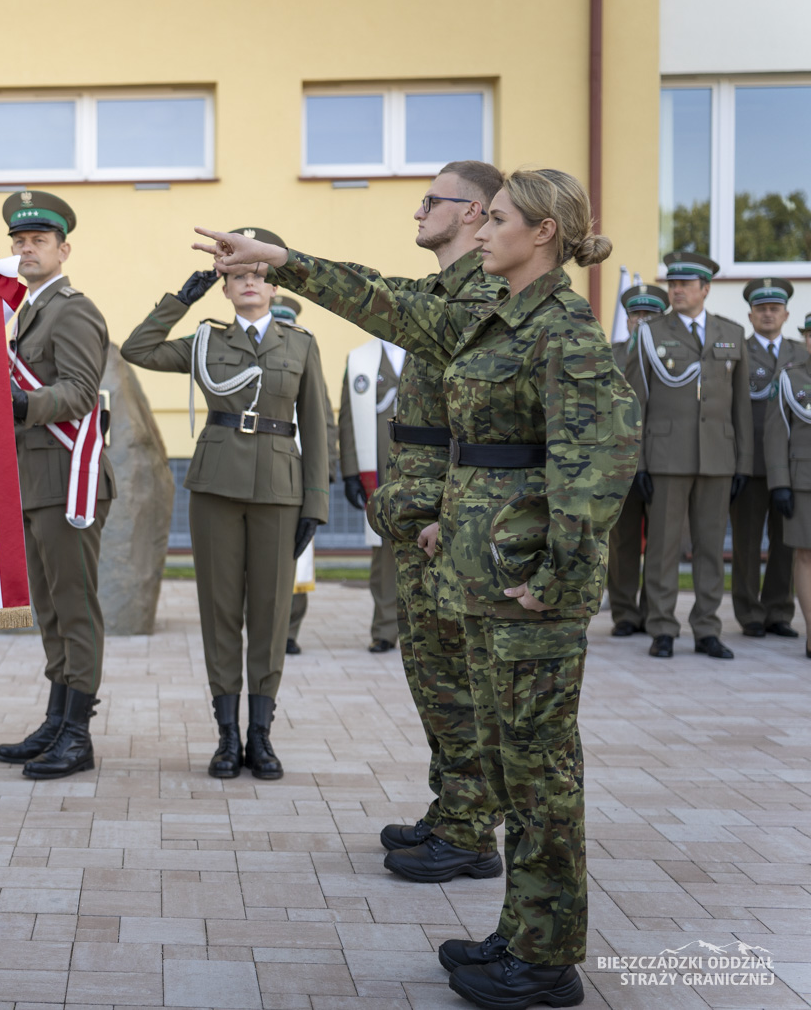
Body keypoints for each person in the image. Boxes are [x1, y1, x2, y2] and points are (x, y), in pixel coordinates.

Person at [194, 166, 635, 1009]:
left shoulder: (565, 330)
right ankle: (522, 931)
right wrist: (281, 259)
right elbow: (384, 299)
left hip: (526, 589)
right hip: (487, 572)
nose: (486, 228)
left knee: (542, 775)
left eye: (498, 217)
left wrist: (559, 580)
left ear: (540, 233)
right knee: (514, 763)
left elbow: (598, 464)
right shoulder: (490, 313)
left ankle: (546, 961)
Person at [120, 227, 328, 780]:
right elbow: (137, 348)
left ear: (273, 282)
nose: (249, 284)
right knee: (219, 613)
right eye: (237, 276)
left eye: (258, 274)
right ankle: (225, 735)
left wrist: (316, 504)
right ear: (225, 287)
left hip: (280, 492)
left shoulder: (301, 345)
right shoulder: (207, 341)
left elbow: (317, 427)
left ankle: (260, 736)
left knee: (270, 614)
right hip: (214, 488)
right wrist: (184, 295)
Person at [365, 161, 509, 886]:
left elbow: (478, 433)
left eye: (432, 201)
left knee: (455, 681)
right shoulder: (437, 293)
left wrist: (451, 518)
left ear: (475, 211)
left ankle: (471, 833)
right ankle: (452, 807)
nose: (417, 211)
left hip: (446, 525)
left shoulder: (482, 298)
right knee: (432, 677)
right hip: (418, 515)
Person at [0, 191, 116, 780]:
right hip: (32, 479)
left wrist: (19, 402)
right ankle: (55, 717)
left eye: (38, 240)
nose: (26, 249)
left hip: (69, 479)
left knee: (75, 608)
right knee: (49, 608)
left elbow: (79, 392)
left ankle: (78, 733)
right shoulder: (23, 312)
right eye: (19, 241)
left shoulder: (72, 309)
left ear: (63, 248)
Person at [628, 251, 750, 659]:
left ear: (705, 289)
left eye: (684, 284)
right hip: (665, 455)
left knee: (711, 547)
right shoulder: (651, 332)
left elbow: (741, 409)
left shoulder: (731, 334)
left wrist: (742, 464)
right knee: (663, 547)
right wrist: (639, 462)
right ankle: (662, 627)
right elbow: (636, 403)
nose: (676, 290)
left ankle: (707, 629)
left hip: (718, 457)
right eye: (672, 284)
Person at [732, 278, 801, 639]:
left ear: (786, 314)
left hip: (793, 469)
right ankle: (749, 613)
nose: (768, 314)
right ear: (750, 315)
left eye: (774, 308)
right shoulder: (737, 352)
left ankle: (778, 611)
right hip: (751, 464)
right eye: (762, 309)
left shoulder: (801, 354)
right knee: (745, 542)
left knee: (787, 543)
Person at [606, 284, 669, 636]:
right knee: (623, 540)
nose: (642, 321)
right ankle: (625, 613)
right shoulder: (608, 353)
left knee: (661, 540)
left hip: (662, 458)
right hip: (619, 461)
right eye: (636, 315)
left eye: (650, 316)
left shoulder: (674, 356)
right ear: (627, 320)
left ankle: (656, 611)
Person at [277, 296, 338, 655]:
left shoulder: (305, 354)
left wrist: (326, 472)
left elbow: (323, 422)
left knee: (300, 554)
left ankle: (289, 630)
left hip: (301, 473)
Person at [339, 337, 403, 652]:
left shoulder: (432, 350)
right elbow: (348, 418)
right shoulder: (360, 360)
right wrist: (351, 471)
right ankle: (385, 629)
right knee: (385, 556)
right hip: (380, 473)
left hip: (429, 472)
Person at [764, 293, 811, 658]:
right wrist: (780, 483)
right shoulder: (790, 379)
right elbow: (777, 431)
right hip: (803, 481)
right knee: (806, 557)